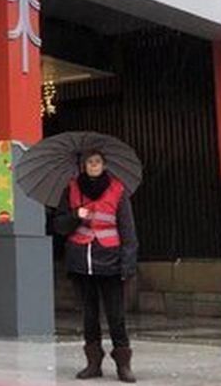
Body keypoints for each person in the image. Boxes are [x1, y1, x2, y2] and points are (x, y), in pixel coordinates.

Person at [54, 150, 139, 383]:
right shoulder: (71, 189)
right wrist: (75, 215)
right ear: (83, 166)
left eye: (97, 162)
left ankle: (123, 364)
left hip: (110, 260)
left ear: (104, 165)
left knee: (115, 315)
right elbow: (59, 226)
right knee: (89, 316)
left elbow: (128, 231)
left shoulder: (117, 190)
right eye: (89, 162)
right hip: (81, 261)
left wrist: (128, 264)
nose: (93, 166)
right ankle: (93, 363)